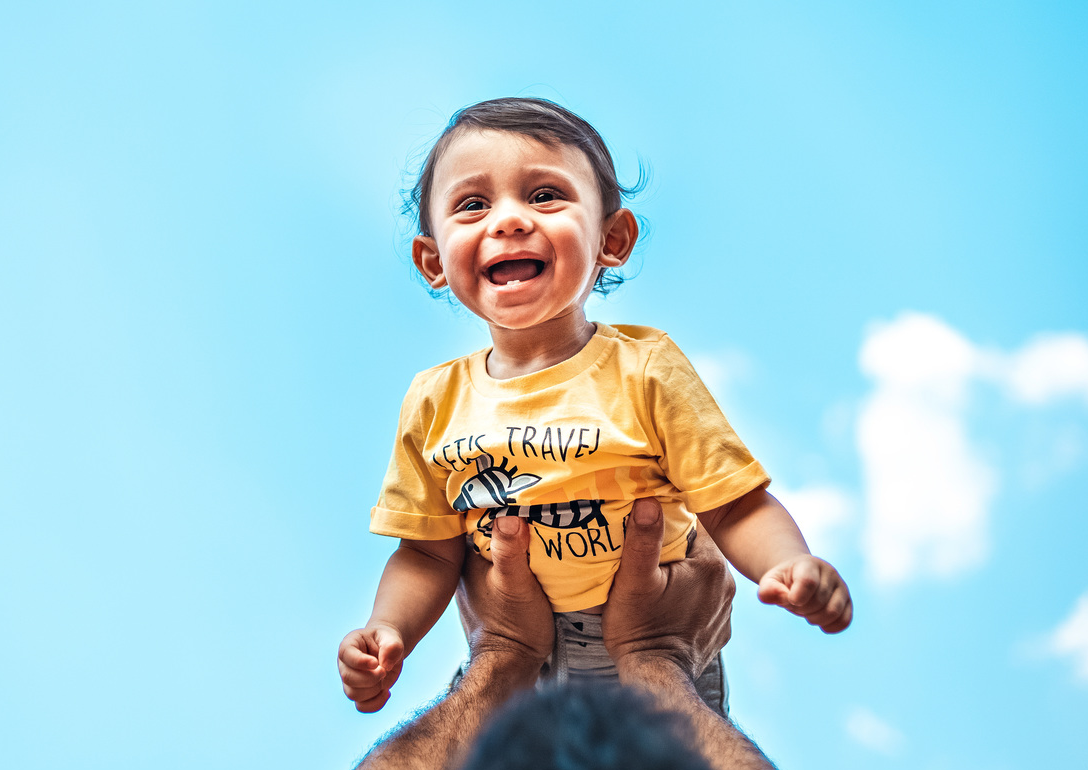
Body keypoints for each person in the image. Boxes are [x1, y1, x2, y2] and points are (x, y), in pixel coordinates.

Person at [339, 97, 853, 715]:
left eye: (545, 195)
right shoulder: (433, 401)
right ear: (433, 262)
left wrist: (790, 564)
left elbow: (734, 503)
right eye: (473, 205)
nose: (507, 220)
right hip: (519, 657)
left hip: (659, 640)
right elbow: (426, 550)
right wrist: (388, 631)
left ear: (612, 239)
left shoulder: (644, 368)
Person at [335, 498, 796, 770]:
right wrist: (659, 657)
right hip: (659, 657)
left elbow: (732, 502)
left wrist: (502, 654)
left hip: (522, 670)